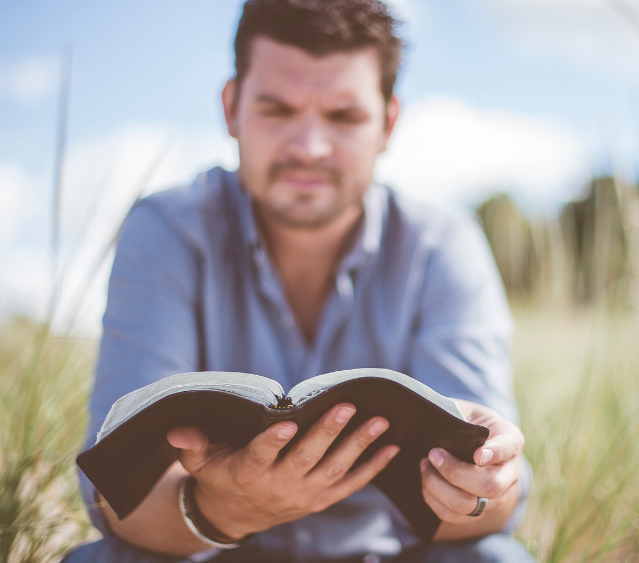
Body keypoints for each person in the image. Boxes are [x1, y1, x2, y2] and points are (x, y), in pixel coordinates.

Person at [64, 0, 533, 561]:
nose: (309, 147)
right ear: (231, 107)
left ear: (387, 122)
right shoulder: (166, 231)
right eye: (277, 109)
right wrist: (225, 509)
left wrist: (481, 485)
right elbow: (113, 497)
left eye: (343, 117)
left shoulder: (444, 246)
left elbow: (499, 510)